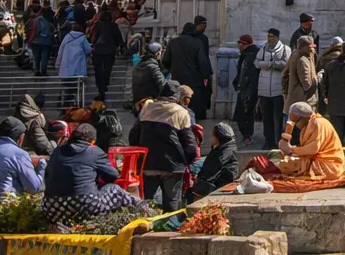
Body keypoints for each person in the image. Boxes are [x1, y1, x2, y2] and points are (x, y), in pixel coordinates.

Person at [40, 122, 144, 224]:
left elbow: (48, 176)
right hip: (85, 203)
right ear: (92, 141)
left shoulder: (57, 151)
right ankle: (146, 209)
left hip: (51, 207)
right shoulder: (93, 151)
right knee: (114, 189)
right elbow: (113, 176)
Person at [130, 82, 199, 212]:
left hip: (147, 164)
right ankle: (169, 229)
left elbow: (133, 136)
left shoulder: (147, 108)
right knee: (172, 204)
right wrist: (186, 164)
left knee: (146, 203)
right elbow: (190, 146)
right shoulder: (182, 112)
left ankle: (144, 228)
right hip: (172, 166)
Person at [278, 101, 345, 179]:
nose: (295, 125)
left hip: (329, 165)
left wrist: (292, 150)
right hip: (318, 161)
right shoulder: (308, 125)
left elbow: (313, 149)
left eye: (296, 121)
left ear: (303, 118)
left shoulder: (318, 123)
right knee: (284, 164)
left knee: (287, 166)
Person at [166, 17, 214, 121]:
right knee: (192, 104)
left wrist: (173, 68)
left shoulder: (173, 42)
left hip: (177, 78)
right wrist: (206, 76)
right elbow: (203, 62)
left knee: (178, 102)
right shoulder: (198, 42)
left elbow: (165, 60)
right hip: (194, 80)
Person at [253, 29, 291, 149]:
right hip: (264, 89)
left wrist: (271, 64)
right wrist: (266, 63)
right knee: (266, 117)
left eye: (273, 37)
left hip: (278, 90)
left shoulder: (285, 49)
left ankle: (278, 141)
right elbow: (256, 62)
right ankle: (268, 140)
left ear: (277, 37)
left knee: (278, 118)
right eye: (269, 36)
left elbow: (287, 64)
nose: (270, 39)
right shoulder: (263, 49)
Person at [189, 121, 239, 201]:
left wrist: (198, 179)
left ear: (219, 137)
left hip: (220, 183)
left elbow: (211, 169)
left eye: (213, 135)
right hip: (216, 181)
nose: (211, 136)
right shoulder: (221, 148)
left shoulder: (224, 151)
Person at [89, 4, 122, 101]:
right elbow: (118, 38)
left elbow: (94, 37)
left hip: (98, 50)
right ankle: (105, 83)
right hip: (110, 50)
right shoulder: (114, 25)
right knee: (107, 69)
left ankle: (100, 87)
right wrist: (117, 46)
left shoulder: (98, 24)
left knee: (98, 69)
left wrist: (93, 45)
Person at [55, 18, 91, 107]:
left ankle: (64, 103)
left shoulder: (67, 37)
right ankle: (74, 105)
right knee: (76, 87)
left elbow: (60, 51)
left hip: (65, 68)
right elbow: (88, 50)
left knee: (66, 86)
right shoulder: (82, 38)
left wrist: (57, 64)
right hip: (78, 69)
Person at [283, 35, 319, 111]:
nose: (313, 49)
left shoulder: (295, 54)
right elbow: (307, 84)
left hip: (294, 99)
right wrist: (318, 79)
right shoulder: (303, 60)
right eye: (310, 47)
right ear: (304, 47)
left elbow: (284, 75)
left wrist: (286, 93)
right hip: (303, 103)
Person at [30, 5, 57, 76]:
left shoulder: (36, 20)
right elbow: (52, 31)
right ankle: (43, 71)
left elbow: (34, 30)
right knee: (44, 57)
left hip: (36, 41)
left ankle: (36, 70)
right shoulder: (50, 22)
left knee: (37, 57)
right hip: (46, 42)